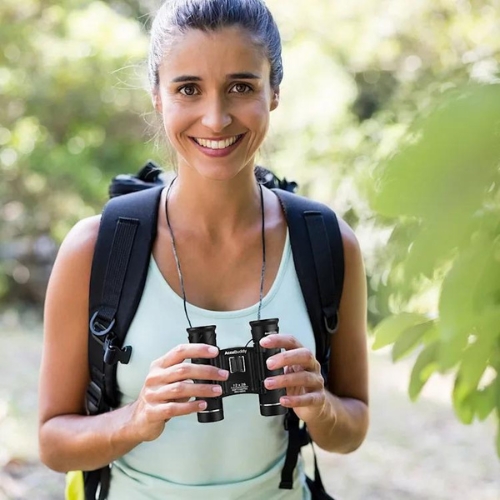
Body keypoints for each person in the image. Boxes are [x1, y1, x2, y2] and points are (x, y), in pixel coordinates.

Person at [38, 0, 369, 498]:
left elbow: (353, 426)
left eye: (241, 87)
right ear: (157, 95)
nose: (215, 118)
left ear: (273, 92)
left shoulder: (326, 243)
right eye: (188, 88)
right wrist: (138, 418)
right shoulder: (95, 249)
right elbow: (52, 441)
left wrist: (320, 406)